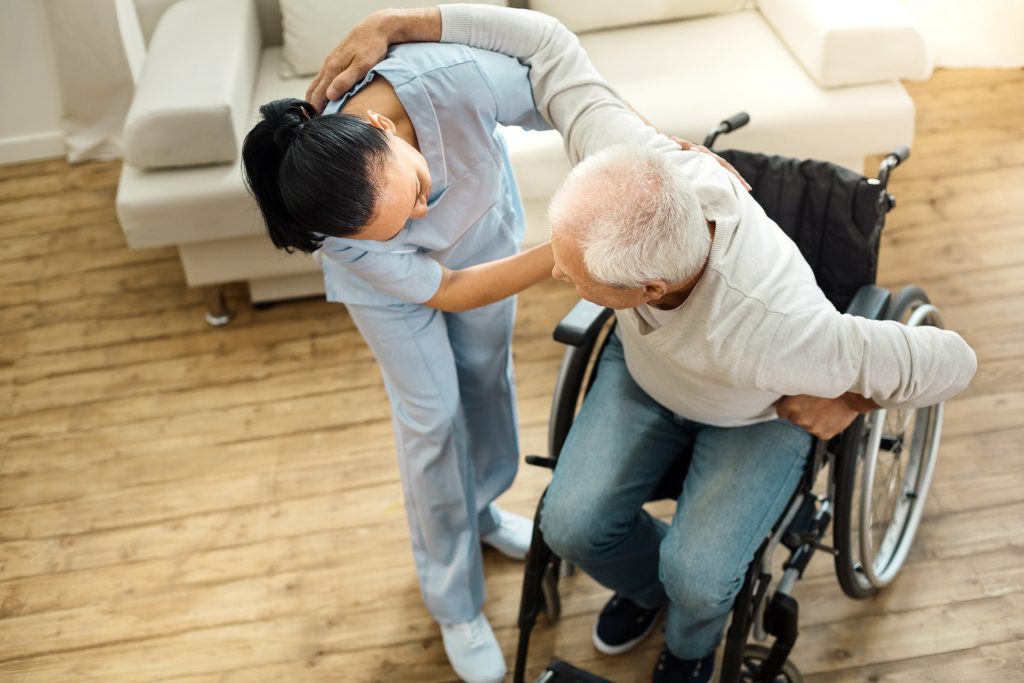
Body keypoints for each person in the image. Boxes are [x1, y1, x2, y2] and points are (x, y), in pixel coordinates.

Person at [308, 5, 978, 682]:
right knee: (568, 526)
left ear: (648, 288)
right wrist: (398, 23)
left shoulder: (782, 333)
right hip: (648, 371)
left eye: (578, 275)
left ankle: (689, 647)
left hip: (754, 412)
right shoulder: (623, 155)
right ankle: (649, 587)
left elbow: (955, 361)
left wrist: (852, 401)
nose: (559, 274)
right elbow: (548, 45)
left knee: (699, 577)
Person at [245, 17, 743, 683]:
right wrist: (568, 248)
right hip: (399, 297)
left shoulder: (451, 79)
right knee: (433, 418)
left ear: (384, 128)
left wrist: (655, 154)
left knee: (486, 378)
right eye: (396, 225)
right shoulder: (335, 224)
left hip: (487, 243)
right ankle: (453, 602)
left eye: (416, 192)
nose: (421, 215)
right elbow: (448, 289)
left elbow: (566, 97)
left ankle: (479, 510)